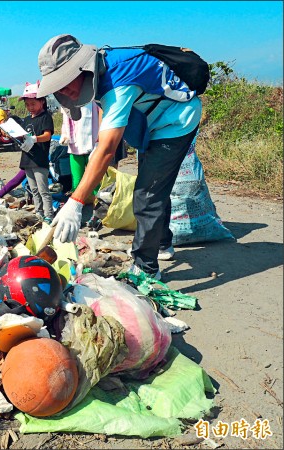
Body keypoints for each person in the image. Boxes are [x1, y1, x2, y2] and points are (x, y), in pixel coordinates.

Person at [37, 34, 201, 280]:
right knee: (155, 185)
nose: (65, 90)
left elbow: (108, 149)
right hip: (153, 122)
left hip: (176, 121)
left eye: (66, 80)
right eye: (58, 86)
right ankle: (163, 242)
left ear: (81, 68)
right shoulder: (102, 69)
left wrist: (76, 202)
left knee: (146, 193)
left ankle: (146, 268)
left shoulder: (118, 80)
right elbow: (105, 124)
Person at [18, 81, 55, 223]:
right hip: (27, 159)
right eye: (27, 104)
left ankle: (49, 215)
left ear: (42, 102)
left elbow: (47, 135)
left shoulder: (45, 117)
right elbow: (22, 135)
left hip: (39, 159)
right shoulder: (26, 119)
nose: (30, 107)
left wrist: (34, 139)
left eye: (33, 104)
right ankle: (38, 212)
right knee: (33, 189)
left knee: (43, 189)